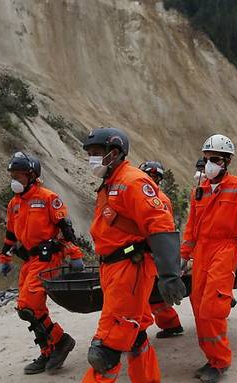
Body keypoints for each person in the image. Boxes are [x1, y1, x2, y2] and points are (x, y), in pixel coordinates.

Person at [81, 127, 186, 383]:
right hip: (114, 268)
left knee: (106, 348)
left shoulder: (132, 182)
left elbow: (160, 225)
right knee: (134, 333)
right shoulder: (111, 183)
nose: (91, 158)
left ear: (113, 153)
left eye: (96, 153)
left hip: (130, 267)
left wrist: (170, 274)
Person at [181, 134, 237, 383]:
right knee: (198, 306)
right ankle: (211, 358)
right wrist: (184, 256)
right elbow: (191, 227)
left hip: (225, 249)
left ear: (227, 161)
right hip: (202, 252)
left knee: (213, 307)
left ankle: (220, 362)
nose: (209, 164)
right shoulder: (200, 190)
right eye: (206, 158)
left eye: (215, 159)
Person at [0, 152, 83, 375]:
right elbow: (10, 235)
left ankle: (61, 340)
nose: (14, 180)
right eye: (12, 176)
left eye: (19, 176)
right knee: (27, 309)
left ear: (32, 175)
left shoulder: (47, 198)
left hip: (48, 258)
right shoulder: (14, 204)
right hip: (30, 260)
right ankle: (48, 352)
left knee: (28, 306)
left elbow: (66, 231)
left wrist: (74, 255)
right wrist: (4, 257)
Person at [138, 160, 184, 339]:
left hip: (149, 253)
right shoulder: (157, 197)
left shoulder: (156, 199)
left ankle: (134, 334)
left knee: (141, 297)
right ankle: (171, 324)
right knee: (155, 295)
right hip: (154, 252)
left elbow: (162, 229)